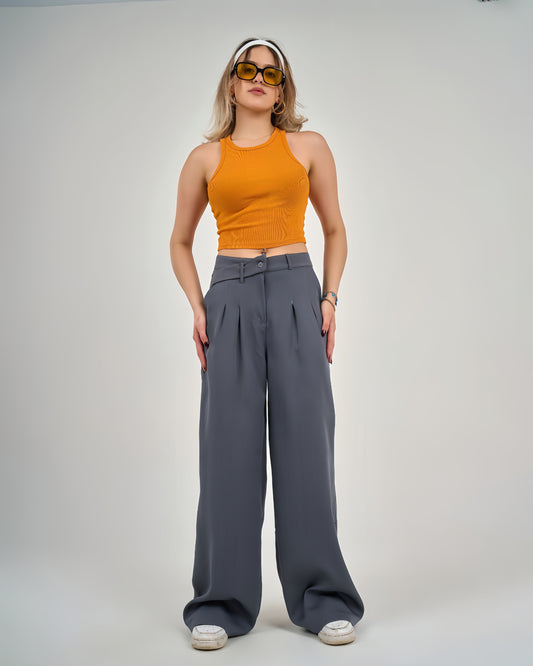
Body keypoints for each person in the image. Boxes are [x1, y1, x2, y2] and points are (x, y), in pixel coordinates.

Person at [169, 37, 365, 651]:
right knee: (227, 446)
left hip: (296, 288)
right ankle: (219, 602)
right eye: (247, 69)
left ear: (281, 90)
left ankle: (323, 598)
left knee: (306, 440)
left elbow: (334, 229)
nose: (258, 78)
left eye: (270, 73)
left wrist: (329, 299)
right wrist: (198, 306)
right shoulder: (205, 158)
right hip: (228, 293)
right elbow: (179, 241)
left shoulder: (308, 147)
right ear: (232, 84)